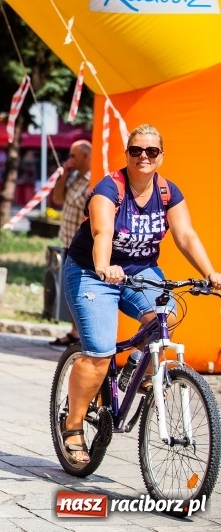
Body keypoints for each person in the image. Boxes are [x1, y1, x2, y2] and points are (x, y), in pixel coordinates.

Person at [61, 124, 221, 465]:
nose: (143, 156)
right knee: (99, 353)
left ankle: (138, 365)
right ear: (127, 154)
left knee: (166, 315)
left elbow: (186, 236)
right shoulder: (109, 188)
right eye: (136, 150)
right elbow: (102, 232)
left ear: (162, 155)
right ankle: (73, 426)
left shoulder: (167, 192)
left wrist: (210, 273)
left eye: (151, 151)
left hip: (140, 270)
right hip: (91, 272)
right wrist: (104, 266)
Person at [49, 139, 92, 347]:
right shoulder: (74, 177)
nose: (70, 159)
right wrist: (64, 174)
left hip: (82, 244)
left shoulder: (92, 180)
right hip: (67, 241)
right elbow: (57, 199)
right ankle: (74, 332)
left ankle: (83, 333)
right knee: (71, 288)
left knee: (81, 289)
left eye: (74, 155)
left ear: (85, 155)